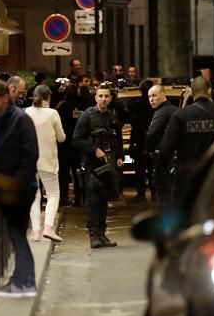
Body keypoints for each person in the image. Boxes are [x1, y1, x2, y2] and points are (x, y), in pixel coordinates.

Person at [0, 79, 40, 298]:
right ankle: (21, 279)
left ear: (5, 97)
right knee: (15, 234)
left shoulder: (20, 119)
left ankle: (26, 282)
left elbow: (30, 153)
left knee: (17, 233)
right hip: (2, 185)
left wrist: (17, 183)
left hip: (19, 187)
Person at [158, 76, 214, 202]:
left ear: (192, 92)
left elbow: (166, 148)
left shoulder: (181, 116)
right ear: (209, 91)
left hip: (188, 175)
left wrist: (161, 175)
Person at [73, 84, 124, 248]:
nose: (103, 99)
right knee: (93, 200)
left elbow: (117, 138)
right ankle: (94, 235)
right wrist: (94, 149)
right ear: (95, 98)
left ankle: (102, 234)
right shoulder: (87, 116)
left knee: (104, 200)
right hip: (91, 166)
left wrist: (119, 156)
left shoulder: (112, 116)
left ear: (110, 98)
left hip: (108, 165)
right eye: (100, 96)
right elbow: (77, 139)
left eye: (106, 96)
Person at [26, 85, 67, 242]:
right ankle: (48, 227)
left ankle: (36, 231)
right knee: (53, 194)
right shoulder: (52, 113)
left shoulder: (26, 113)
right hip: (48, 161)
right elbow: (61, 137)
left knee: (34, 196)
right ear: (48, 97)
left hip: (29, 162)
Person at [56, 75, 93, 205]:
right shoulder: (82, 107)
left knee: (63, 173)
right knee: (79, 172)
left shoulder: (61, 107)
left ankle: (64, 198)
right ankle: (79, 198)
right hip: (78, 144)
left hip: (64, 145)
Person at [145, 85, 179, 204]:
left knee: (164, 193)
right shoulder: (175, 110)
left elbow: (152, 134)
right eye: (149, 96)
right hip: (176, 158)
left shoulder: (162, 112)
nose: (151, 99)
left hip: (165, 158)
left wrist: (148, 150)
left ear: (163, 95)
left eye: (154, 95)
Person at [128, 80, 155, 202]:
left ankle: (141, 194)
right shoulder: (155, 105)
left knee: (140, 169)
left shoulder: (136, 105)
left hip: (139, 141)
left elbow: (134, 124)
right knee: (152, 169)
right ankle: (154, 194)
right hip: (153, 141)